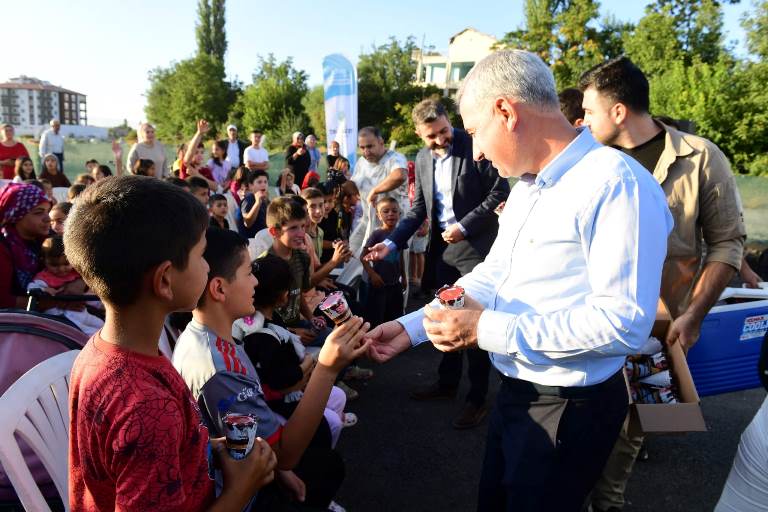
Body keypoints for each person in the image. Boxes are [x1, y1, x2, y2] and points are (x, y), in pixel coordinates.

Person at [365, 49, 673, 511]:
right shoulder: (528, 185)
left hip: (571, 407)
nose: (477, 151)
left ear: (506, 111)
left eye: (473, 132)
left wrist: (484, 329)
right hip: (519, 392)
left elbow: (623, 323)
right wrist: (415, 328)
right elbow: (495, 273)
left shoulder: (617, 185)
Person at [579, 56, 747, 512]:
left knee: (631, 430)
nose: (582, 120)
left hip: (658, 332)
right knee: (579, 430)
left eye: (590, 110)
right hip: (587, 324)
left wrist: (692, 316)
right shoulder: (587, 162)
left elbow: (728, 243)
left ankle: (608, 503)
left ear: (618, 111)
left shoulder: (700, 157)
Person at [65, 176, 276, 511]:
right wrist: (241, 489)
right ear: (165, 280)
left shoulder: (100, 352)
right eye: (201, 255)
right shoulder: (145, 408)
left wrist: (212, 448)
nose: (207, 267)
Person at [173, 227, 369, 510]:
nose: (255, 282)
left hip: (245, 468)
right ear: (219, 288)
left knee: (325, 463)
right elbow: (285, 453)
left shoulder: (201, 335)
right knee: (326, 465)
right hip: (242, 495)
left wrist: (280, 469)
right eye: (248, 272)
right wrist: (326, 368)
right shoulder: (220, 367)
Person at [366, 98, 509, 429]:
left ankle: (477, 398)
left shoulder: (474, 144)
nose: (441, 140)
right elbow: (418, 210)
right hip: (444, 256)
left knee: (471, 325)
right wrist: (390, 243)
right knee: (444, 319)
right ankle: (446, 384)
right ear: (419, 133)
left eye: (444, 131)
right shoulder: (421, 157)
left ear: (449, 122)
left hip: (476, 251)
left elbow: (499, 191)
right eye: (431, 136)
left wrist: (465, 226)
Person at [235, 253, 355, 447]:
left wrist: (295, 335)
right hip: (280, 401)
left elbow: (281, 336)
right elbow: (282, 382)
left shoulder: (265, 319)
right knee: (330, 423)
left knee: (338, 396)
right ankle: (314, 453)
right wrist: (310, 364)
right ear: (283, 295)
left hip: (291, 387)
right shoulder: (260, 336)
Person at [348, 126, 408, 256]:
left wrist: (376, 190)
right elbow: (354, 187)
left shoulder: (395, 158)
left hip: (393, 225)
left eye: (370, 146)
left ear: (381, 142)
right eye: (362, 147)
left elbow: (400, 176)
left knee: (387, 266)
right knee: (351, 252)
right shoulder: (361, 162)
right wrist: (341, 183)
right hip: (367, 221)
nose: (366, 151)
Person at [27, 235, 103, 335]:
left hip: (82, 311)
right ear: (44, 261)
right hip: (61, 314)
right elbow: (32, 287)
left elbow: (89, 293)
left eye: (66, 264)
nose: (61, 269)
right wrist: (45, 289)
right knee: (85, 332)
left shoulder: (76, 274)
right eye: (55, 265)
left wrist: (99, 303)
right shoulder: (45, 277)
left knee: (102, 325)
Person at [0, 183, 51, 308]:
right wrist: (58, 303)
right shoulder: (3, 246)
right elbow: (3, 301)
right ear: (16, 215)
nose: (48, 219)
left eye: (47, 211)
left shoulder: (48, 241)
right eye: (38, 212)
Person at [362, 197, 407, 327]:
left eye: (394, 211)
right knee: (376, 318)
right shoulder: (377, 235)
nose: (390, 214)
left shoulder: (400, 234)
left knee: (395, 317)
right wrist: (373, 275)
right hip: (379, 284)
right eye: (385, 211)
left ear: (399, 213)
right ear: (378, 215)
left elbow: (401, 257)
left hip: (394, 283)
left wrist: (403, 277)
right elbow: (363, 257)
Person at [301, 187, 352, 288]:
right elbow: (304, 280)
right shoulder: (301, 236)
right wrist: (334, 261)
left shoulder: (319, 232)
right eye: (312, 206)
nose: (319, 211)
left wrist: (339, 257)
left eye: (321, 205)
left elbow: (317, 268)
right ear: (303, 209)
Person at [181, 120, 218, 191]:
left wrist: (196, 174)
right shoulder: (186, 166)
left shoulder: (205, 170)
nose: (200, 155)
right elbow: (189, 153)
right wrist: (199, 133)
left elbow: (215, 187)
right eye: (196, 152)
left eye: (202, 152)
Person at [236, 169, 269, 239]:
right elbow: (247, 223)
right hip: (250, 242)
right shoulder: (248, 200)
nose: (263, 185)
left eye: (265, 182)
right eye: (259, 182)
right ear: (251, 186)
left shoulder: (264, 200)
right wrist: (257, 203)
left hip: (263, 240)